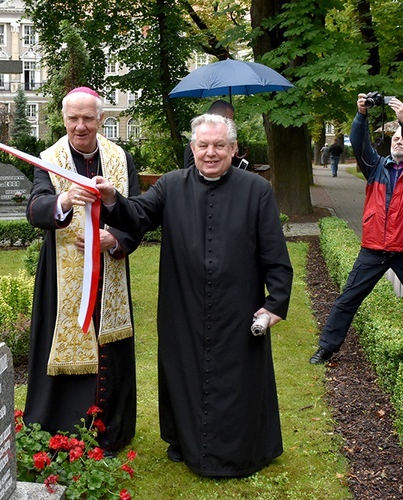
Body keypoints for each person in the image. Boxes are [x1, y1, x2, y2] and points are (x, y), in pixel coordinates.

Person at [93, 113, 293, 477]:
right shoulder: (171, 185)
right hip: (182, 303)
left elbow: (275, 254)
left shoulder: (257, 190)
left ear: (233, 149)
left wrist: (274, 302)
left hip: (238, 305)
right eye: (203, 145)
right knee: (183, 373)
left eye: (219, 145)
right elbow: (137, 214)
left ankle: (242, 451)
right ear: (193, 147)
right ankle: (183, 442)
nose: (211, 153)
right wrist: (112, 198)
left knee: (236, 380)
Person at [23, 86, 141, 454]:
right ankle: (63, 430)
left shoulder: (120, 158)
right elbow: (34, 208)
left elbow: (138, 216)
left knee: (110, 349)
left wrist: (114, 239)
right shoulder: (50, 158)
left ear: (101, 119)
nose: (80, 126)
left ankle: (111, 430)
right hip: (63, 280)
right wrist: (62, 200)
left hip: (110, 275)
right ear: (63, 119)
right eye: (73, 118)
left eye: (88, 118)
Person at [310, 95, 403, 365]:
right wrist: (361, 115)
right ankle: (326, 348)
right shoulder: (376, 167)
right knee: (348, 299)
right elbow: (360, 143)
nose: (399, 140)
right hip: (374, 248)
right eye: (395, 138)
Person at [182, 100, 246, 170]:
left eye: (219, 145)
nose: (210, 153)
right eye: (229, 119)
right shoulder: (198, 140)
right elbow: (194, 169)